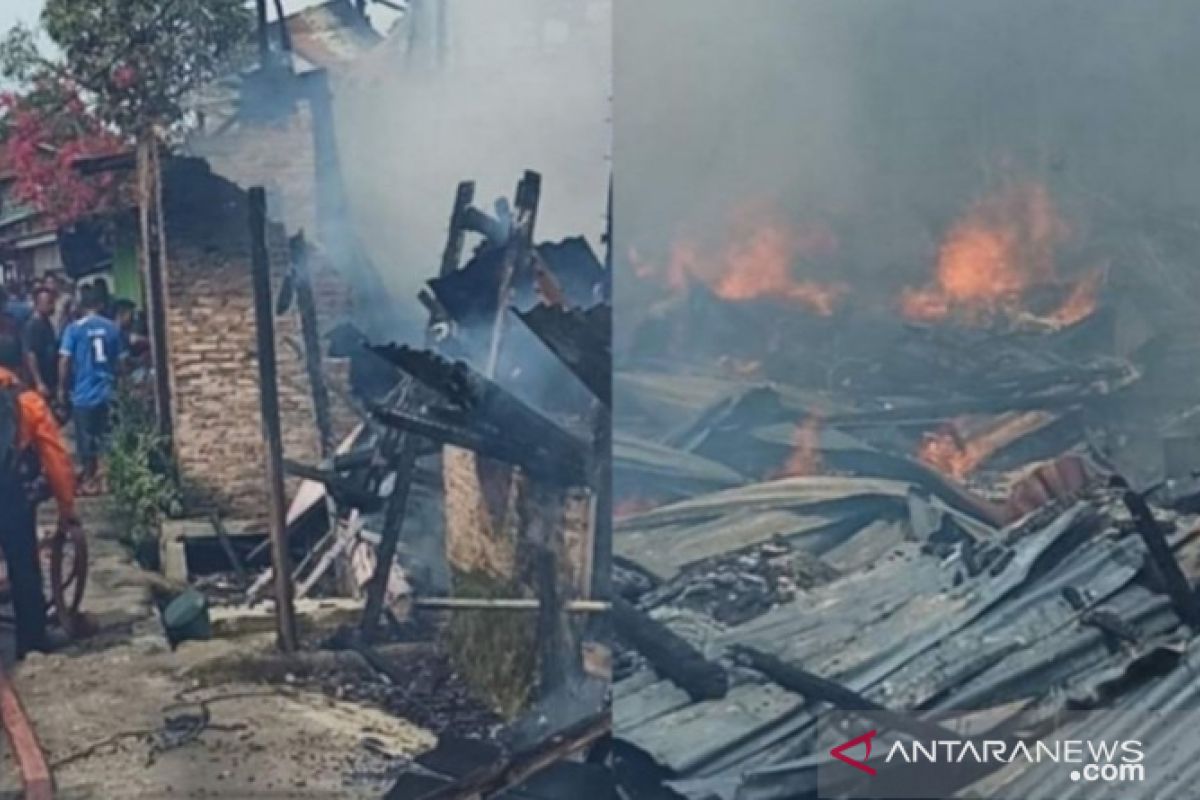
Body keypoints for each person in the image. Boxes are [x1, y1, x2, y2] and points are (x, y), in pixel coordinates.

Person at [0, 334, 78, 658]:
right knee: (23, 567)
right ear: (19, 364)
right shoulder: (28, 402)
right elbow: (56, 460)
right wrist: (66, 508)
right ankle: (32, 641)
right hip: (11, 496)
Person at [58, 290, 122, 493]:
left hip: (83, 393)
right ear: (100, 305)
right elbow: (122, 361)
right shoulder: (113, 328)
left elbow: (65, 360)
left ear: (82, 307)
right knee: (107, 437)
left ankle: (89, 481)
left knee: (85, 439)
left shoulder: (74, 329)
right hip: (108, 390)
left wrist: (62, 387)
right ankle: (107, 479)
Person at [23, 288, 59, 400]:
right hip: (40, 380)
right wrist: (39, 382)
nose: (52, 306)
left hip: (50, 377)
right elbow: (30, 353)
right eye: (49, 303)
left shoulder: (47, 322)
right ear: (38, 304)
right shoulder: (33, 325)